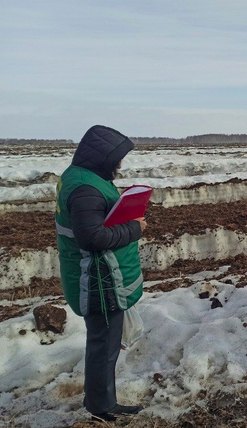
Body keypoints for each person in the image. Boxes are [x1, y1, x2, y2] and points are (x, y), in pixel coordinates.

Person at [55, 125, 146, 422]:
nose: (120, 164)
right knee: (103, 346)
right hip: (97, 283)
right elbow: (91, 238)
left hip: (97, 279)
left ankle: (101, 401)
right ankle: (102, 407)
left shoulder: (82, 178)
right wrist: (135, 228)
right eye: (117, 158)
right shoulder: (85, 189)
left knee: (103, 344)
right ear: (101, 158)